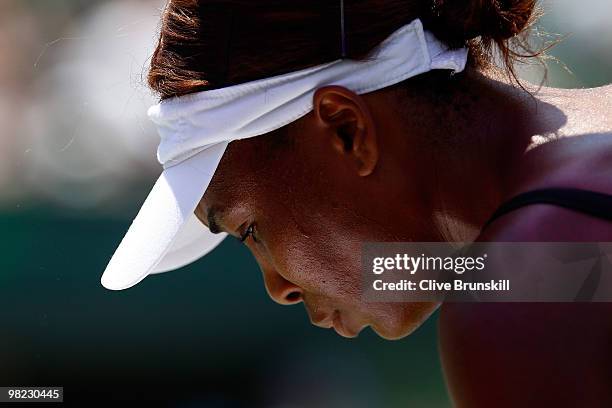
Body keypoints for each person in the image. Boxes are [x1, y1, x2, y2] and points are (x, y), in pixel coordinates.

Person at [102, 0, 612, 406]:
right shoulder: (549, 269)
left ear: (347, 130)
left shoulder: (520, 301)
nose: (279, 290)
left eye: (250, 229)